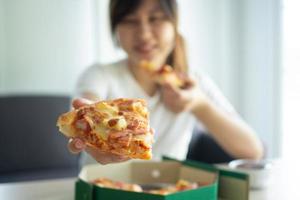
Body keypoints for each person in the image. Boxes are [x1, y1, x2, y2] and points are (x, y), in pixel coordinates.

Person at [68, 0, 263, 165]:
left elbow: (253, 151)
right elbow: (85, 103)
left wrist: (198, 104)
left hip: (167, 190)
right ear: (115, 29)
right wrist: (84, 125)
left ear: (173, 24)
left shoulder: (193, 83)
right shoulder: (101, 74)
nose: (144, 34)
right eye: (130, 20)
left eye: (155, 19)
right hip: (104, 189)